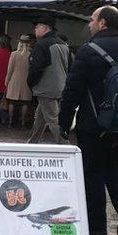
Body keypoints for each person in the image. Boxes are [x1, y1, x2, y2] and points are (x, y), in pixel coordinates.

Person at [59, 5, 118, 235]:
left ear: (103, 23)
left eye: (92, 19)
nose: (89, 23)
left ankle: (97, 228)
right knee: (113, 163)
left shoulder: (89, 51)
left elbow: (73, 90)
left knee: (93, 172)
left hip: (94, 123)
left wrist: (64, 121)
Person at [27, 16, 72, 144]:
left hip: (46, 87)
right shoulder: (63, 44)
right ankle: (32, 142)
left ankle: (65, 147)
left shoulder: (41, 44)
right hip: (60, 86)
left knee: (53, 119)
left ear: (45, 27)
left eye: (37, 26)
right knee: (40, 117)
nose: (35, 29)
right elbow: (70, 66)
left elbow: (35, 68)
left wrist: (31, 84)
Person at [5, 35, 33, 127]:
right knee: (25, 103)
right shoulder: (31, 55)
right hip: (26, 81)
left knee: (12, 102)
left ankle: (10, 122)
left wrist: (7, 81)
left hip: (14, 80)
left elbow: (10, 69)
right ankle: (23, 123)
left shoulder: (13, 54)